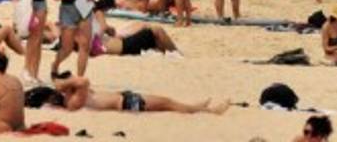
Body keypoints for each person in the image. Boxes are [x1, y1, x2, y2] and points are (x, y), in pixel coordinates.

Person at [50, 72, 228, 114]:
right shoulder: (74, 102)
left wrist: (63, 83)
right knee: (168, 103)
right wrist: (62, 83)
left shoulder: (76, 96)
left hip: (127, 99)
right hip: (128, 104)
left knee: (167, 102)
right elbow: (83, 81)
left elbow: (82, 83)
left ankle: (199, 108)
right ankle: (207, 111)